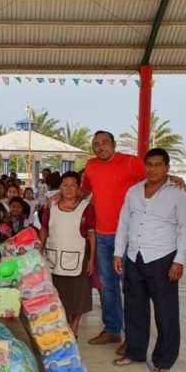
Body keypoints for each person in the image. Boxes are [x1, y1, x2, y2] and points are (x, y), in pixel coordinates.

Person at [111, 148, 186, 372]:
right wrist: (119, 252)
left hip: (163, 258)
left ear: (167, 168)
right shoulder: (134, 191)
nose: (153, 169)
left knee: (165, 312)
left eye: (158, 165)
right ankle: (135, 352)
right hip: (134, 256)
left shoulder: (178, 192)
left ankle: (164, 360)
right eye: (149, 164)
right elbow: (124, 223)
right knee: (135, 308)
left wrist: (179, 260)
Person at [80, 131, 148, 352]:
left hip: (128, 236)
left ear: (114, 144)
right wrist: (62, 195)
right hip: (102, 235)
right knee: (108, 287)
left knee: (131, 287)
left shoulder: (131, 162)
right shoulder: (90, 166)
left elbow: (151, 182)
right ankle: (112, 330)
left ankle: (133, 336)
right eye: (96, 144)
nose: (101, 147)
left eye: (105, 143)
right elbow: (85, 191)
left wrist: (172, 179)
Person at [39, 171, 95, 337]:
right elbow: (44, 229)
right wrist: (39, 249)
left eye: (73, 185)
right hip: (53, 256)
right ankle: (60, 324)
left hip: (78, 255)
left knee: (79, 295)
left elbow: (92, 234)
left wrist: (92, 259)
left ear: (79, 188)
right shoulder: (51, 206)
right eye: (65, 185)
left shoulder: (86, 208)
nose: (69, 188)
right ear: (60, 187)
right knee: (57, 294)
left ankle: (75, 327)